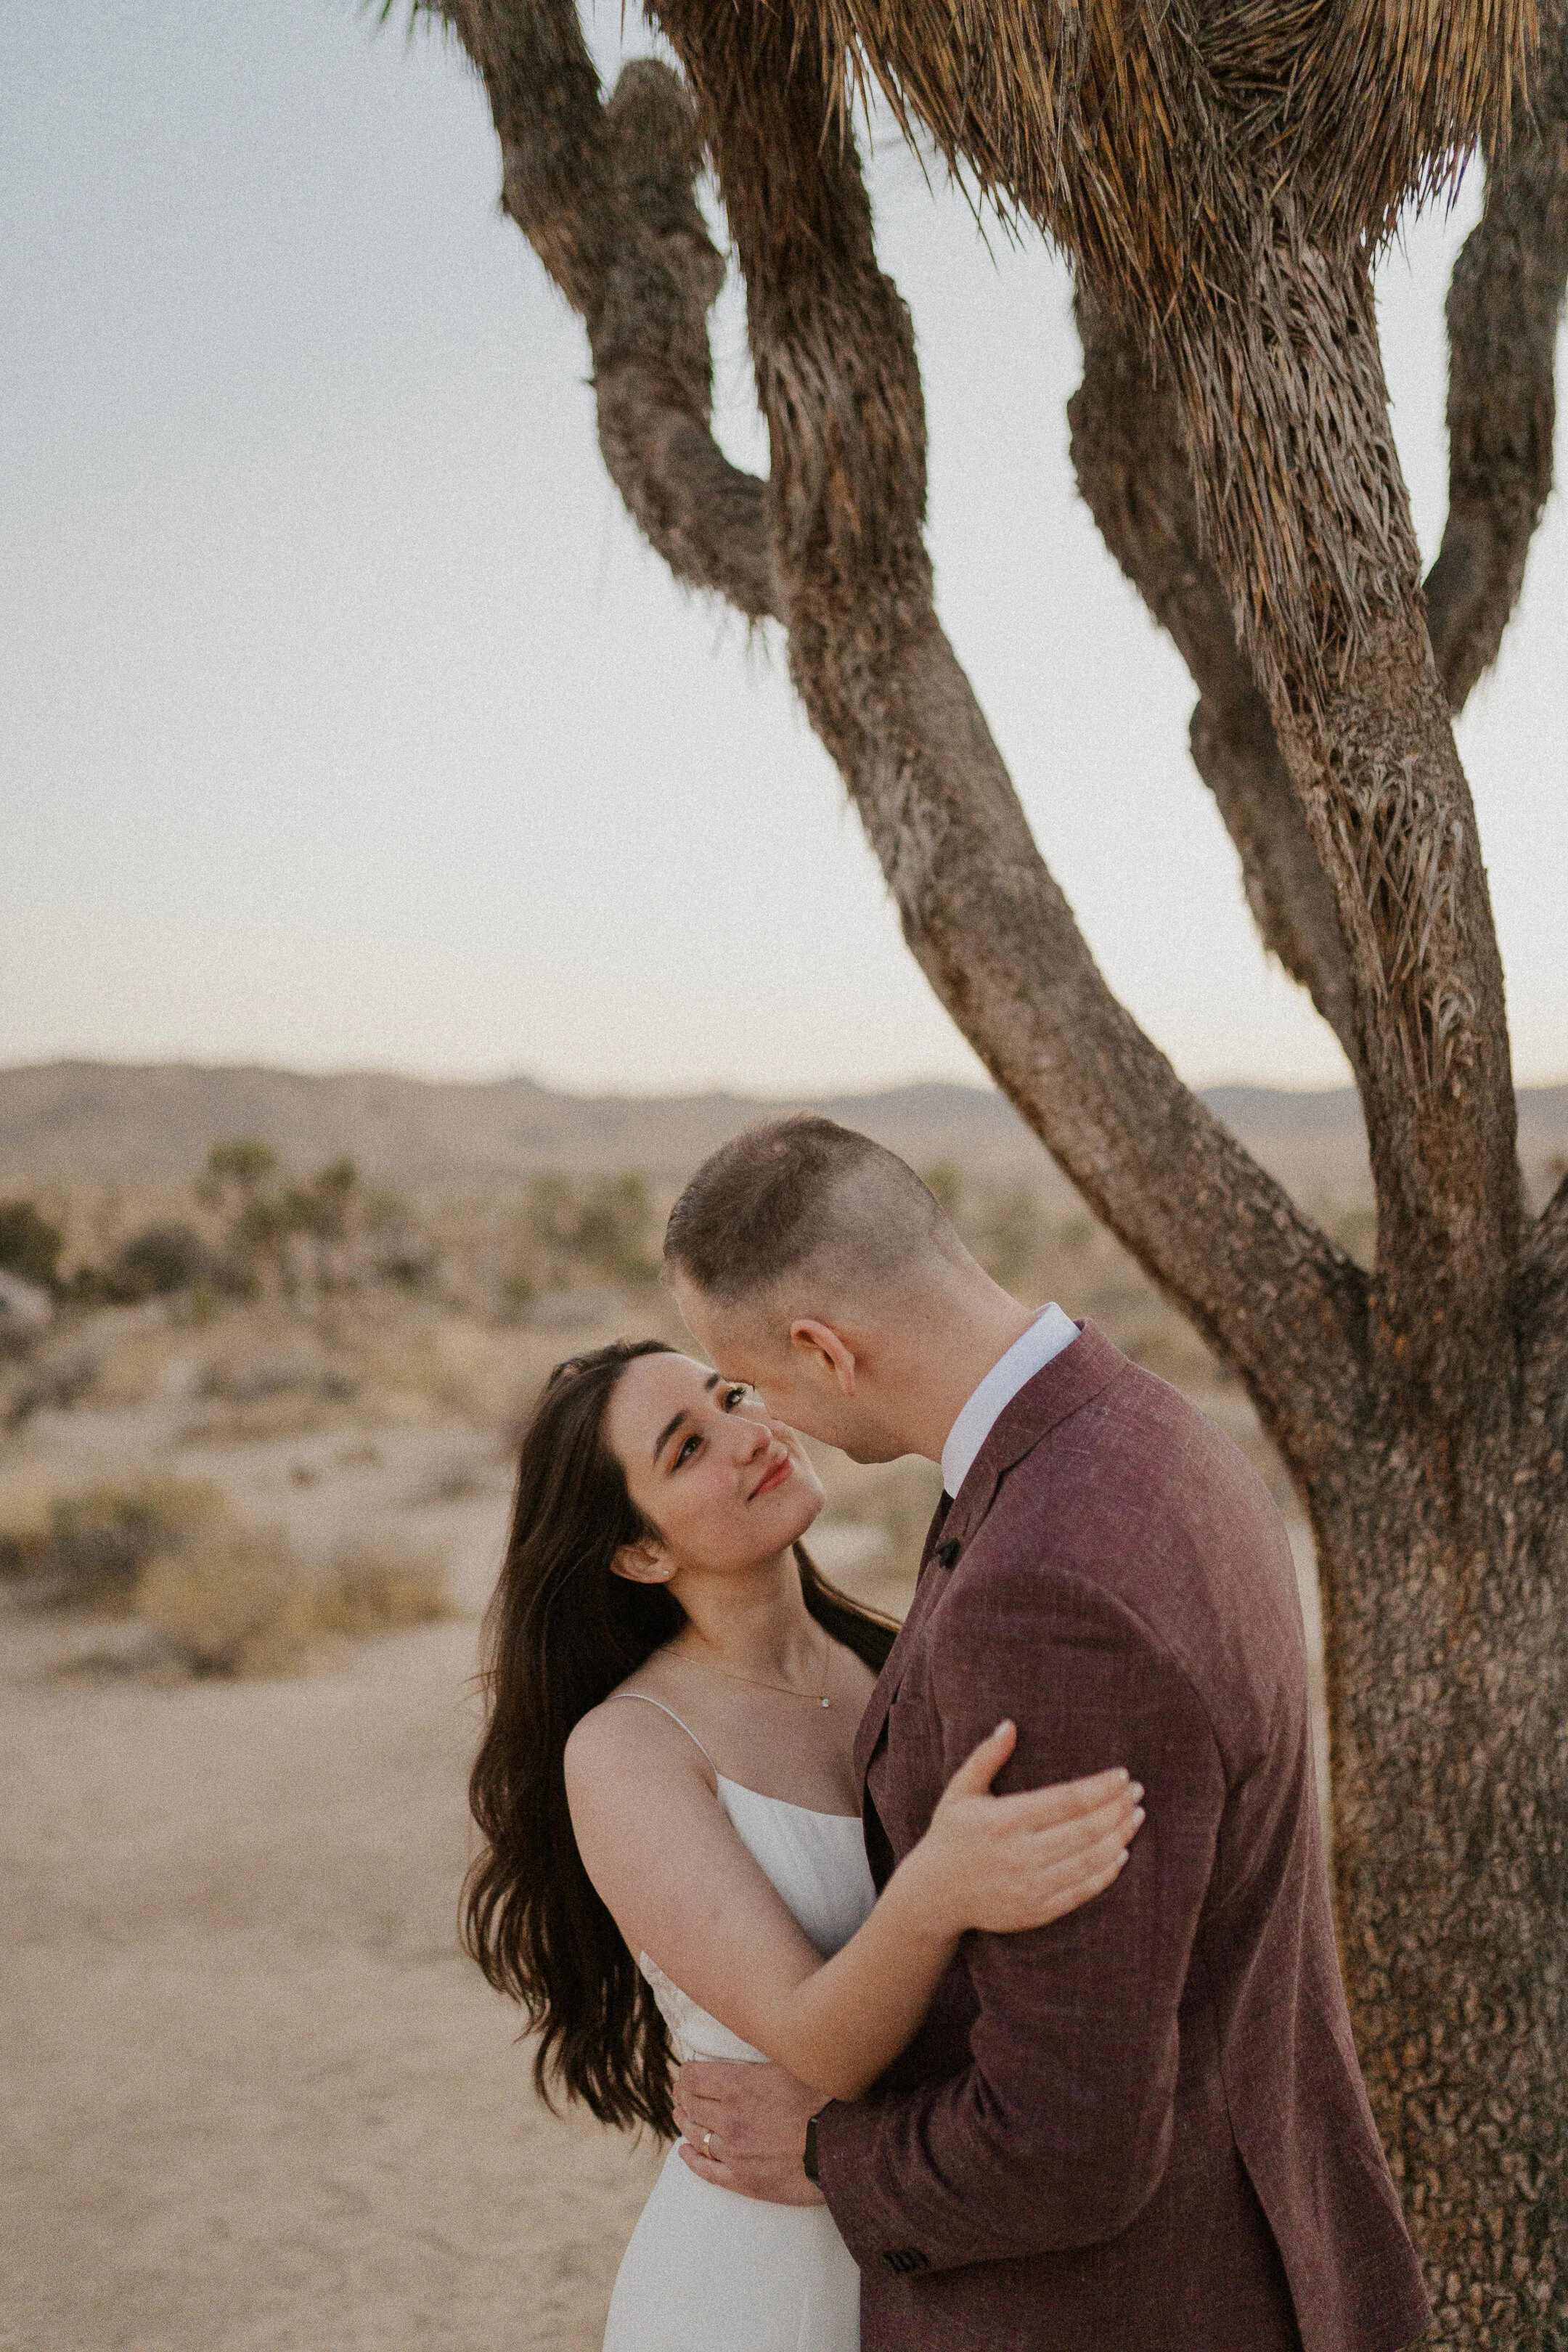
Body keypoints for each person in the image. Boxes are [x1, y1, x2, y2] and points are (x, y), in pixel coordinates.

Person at [661, 1114, 1433, 2352]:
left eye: (756, 1382)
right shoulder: (1140, 1430)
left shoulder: (1049, 1584)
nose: (773, 1423)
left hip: (1137, 2305)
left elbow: (1069, 2143)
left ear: (825, 1349)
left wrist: (825, 2152)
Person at [463, 1336, 1145, 2352]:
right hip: (765, 2280)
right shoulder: (629, 1749)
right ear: (642, 1553)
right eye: (688, 1448)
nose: (750, 1436)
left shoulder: (892, 1654)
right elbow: (818, 2041)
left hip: (945, 2240)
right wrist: (943, 1885)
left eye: (733, 1396)